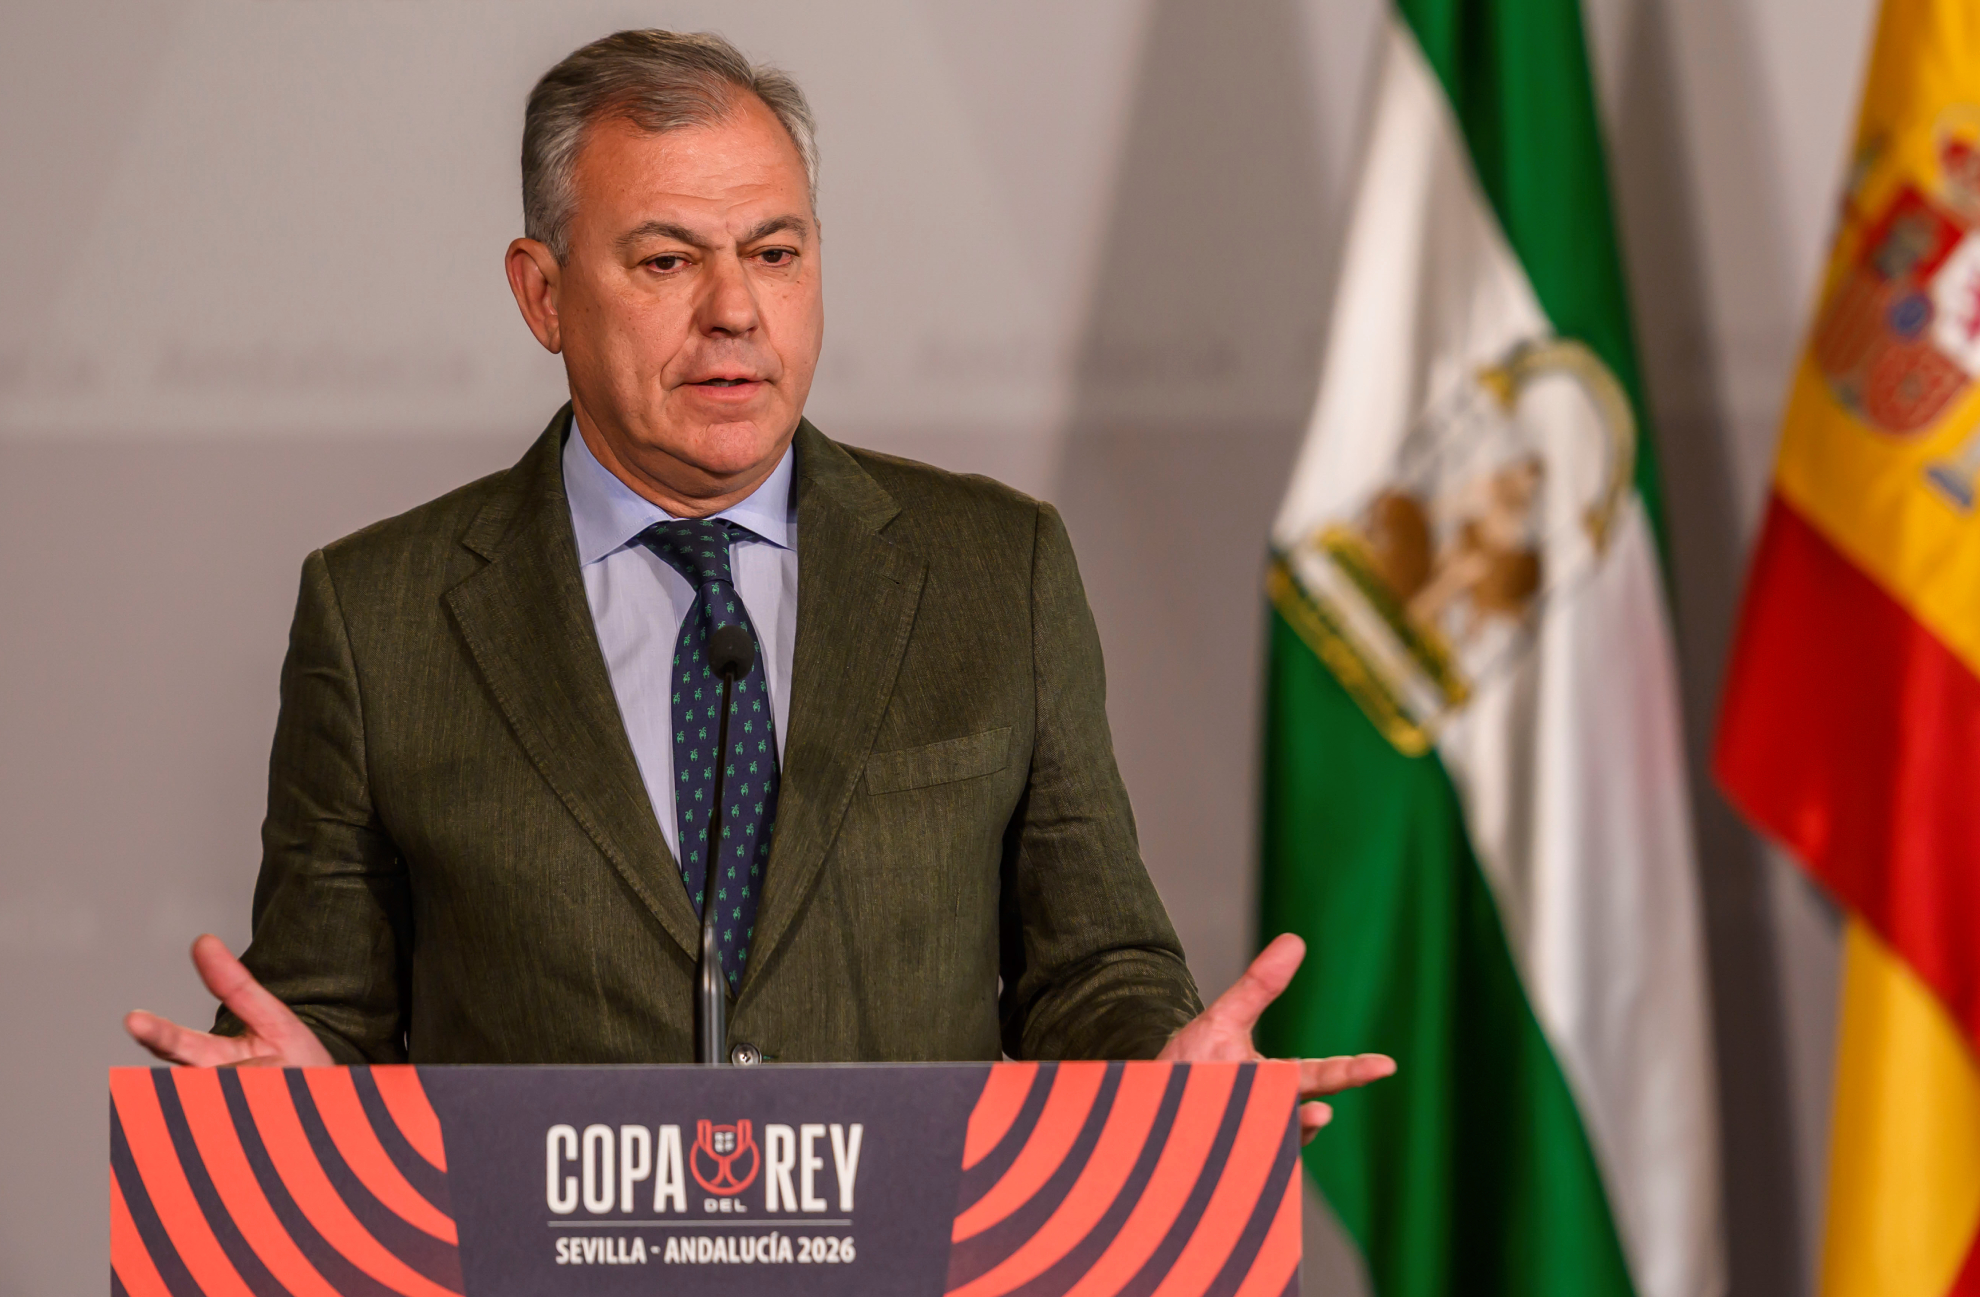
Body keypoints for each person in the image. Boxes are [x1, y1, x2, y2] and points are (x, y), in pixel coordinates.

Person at [123, 29, 1391, 1141]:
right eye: (667, 262)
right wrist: (290, 1095)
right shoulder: (379, 617)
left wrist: (1159, 1073)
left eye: (775, 253)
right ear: (543, 294)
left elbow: (1091, 967)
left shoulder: (995, 571)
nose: (735, 309)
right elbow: (328, 1022)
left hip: (907, 1279)